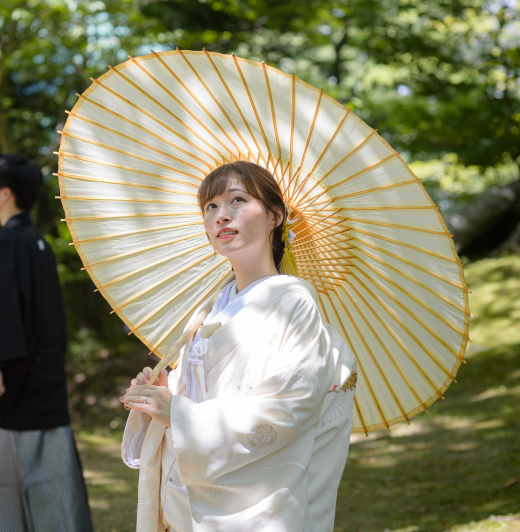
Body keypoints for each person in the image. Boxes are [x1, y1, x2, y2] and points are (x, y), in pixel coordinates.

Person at [120, 161, 358, 532]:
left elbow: (289, 407)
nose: (221, 215)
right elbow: (200, 393)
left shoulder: (294, 302)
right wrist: (167, 394)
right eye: (210, 207)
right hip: (190, 499)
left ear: (275, 216)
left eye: (237, 200)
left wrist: (181, 415)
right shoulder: (209, 307)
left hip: (254, 507)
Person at [0, 154, 93, 532]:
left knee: (11, 481)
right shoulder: (34, 242)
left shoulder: (10, 243)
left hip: (8, 384)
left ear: (5, 194)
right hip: (39, 379)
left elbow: (5, 309)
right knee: (51, 478)